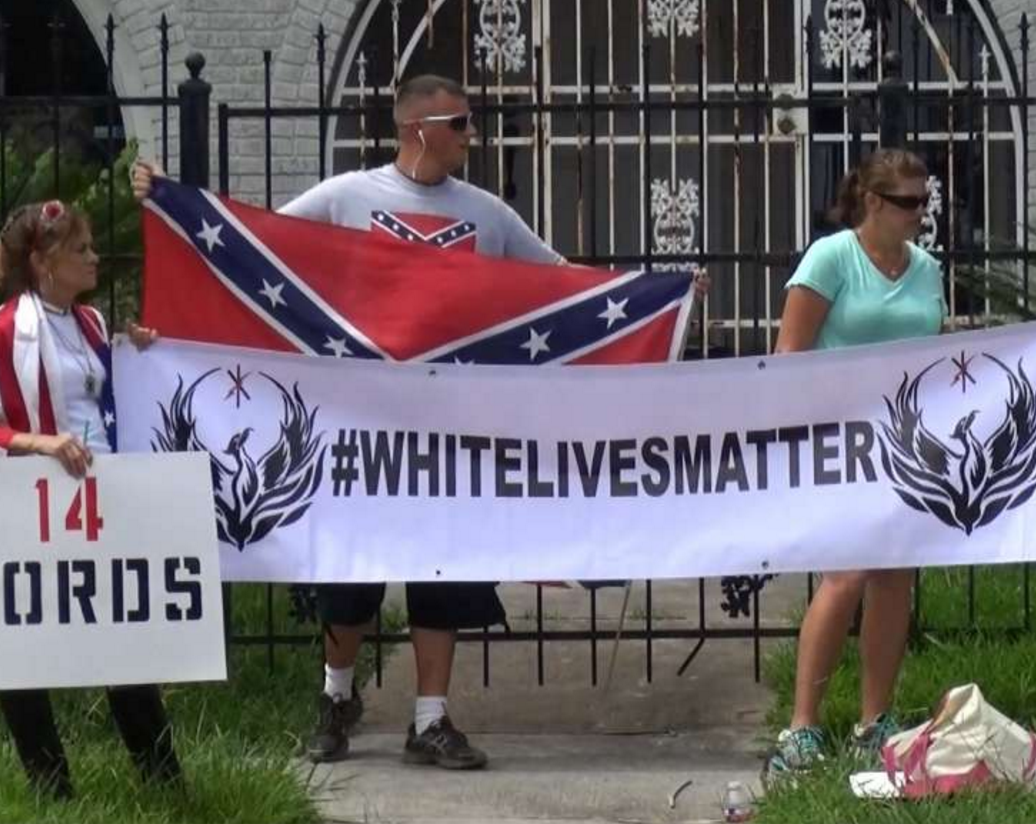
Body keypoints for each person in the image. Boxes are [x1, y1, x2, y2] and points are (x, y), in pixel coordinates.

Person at [133, 73, 709, 768]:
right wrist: (171, 204)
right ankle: (336, 697)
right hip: (361, 428)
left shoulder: (486, 213)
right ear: (419, 130)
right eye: (461, 123)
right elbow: (263, 246)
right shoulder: (348, 196)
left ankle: (430, 718)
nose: (472, 135)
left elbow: (560, 282)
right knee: (350, 569)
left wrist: (658, 292)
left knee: (444, 567)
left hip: (451, 432)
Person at [0, 199, 179, 799]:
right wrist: (38, 444)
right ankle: (51, 788)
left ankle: (163, 779)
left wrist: (138, 354)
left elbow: (109, 403)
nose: (94, 256)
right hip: (36, 508)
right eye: (80, 249)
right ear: (45, 261)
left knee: (120, 636)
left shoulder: (93, 325)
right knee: (25, 644)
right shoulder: (5, 329)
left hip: (105, 504)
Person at [763, 148, 944, 781]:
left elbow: (934, 354)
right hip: (839, 440)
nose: (921, 214)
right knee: (844, 575)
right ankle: (803, 725)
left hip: (904, 442)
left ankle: (876, 721)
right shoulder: (831, 257)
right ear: (871, 202)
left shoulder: (927, 269)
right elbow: (790, 352)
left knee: (895, 577)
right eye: (908, 203)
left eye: (926, 201)